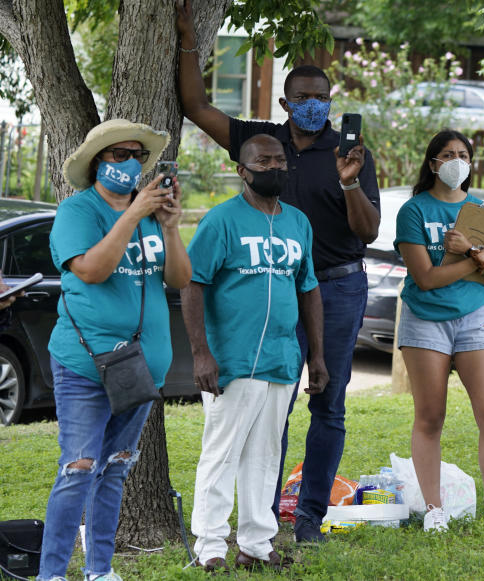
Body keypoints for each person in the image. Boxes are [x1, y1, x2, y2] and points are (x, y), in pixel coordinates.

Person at [176, 0, 380, 543]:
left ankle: (309, 517)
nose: (314, 106)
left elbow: (369, 233)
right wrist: (187, 34)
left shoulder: (351, 151)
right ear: (286, 102)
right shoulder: (261, 143)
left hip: (333, 287)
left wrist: (350, 181)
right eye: (304, 99)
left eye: (323, 99)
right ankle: (262, 522)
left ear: (332, 103)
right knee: (271, 411)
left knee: (328, 403)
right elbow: (195, 105)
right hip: (268, 291)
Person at [37, 119, 192, 581]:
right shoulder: (77, 211)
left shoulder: (150, 218)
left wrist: (169, 227)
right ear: (97, 162)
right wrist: (132, 212)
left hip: (141, 368)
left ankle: (99, 570)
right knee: (78, 467)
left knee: (116, 468)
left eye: (137, 156)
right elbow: (92, 270)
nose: (129, 163)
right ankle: (51, 574)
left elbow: (180, 279)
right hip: (86, 365)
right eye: (117, 154)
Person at [184, 134, 328, 572]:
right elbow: (193, 285)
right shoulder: (221, 221)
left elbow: (308, 288)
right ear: (242, 171)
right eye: (262, 161)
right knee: (223, 453)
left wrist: (317, 355)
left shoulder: (298, 223)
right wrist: (201, 354)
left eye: (280, 160)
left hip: (282, 359)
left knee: (265, 456)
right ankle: (209, 546)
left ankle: (257, 544)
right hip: (232, 360)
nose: (274, 167)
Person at [394, 129, 484, 536]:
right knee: (430, 417)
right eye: (447, 154)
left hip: (476, 317)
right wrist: (477, 260)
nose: (455, 161)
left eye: (463, 154)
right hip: (426, 318)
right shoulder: (414, 211)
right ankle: (434, 509)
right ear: (432, 163)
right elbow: (427, 278)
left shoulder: (482, 210)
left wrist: (470, 251)